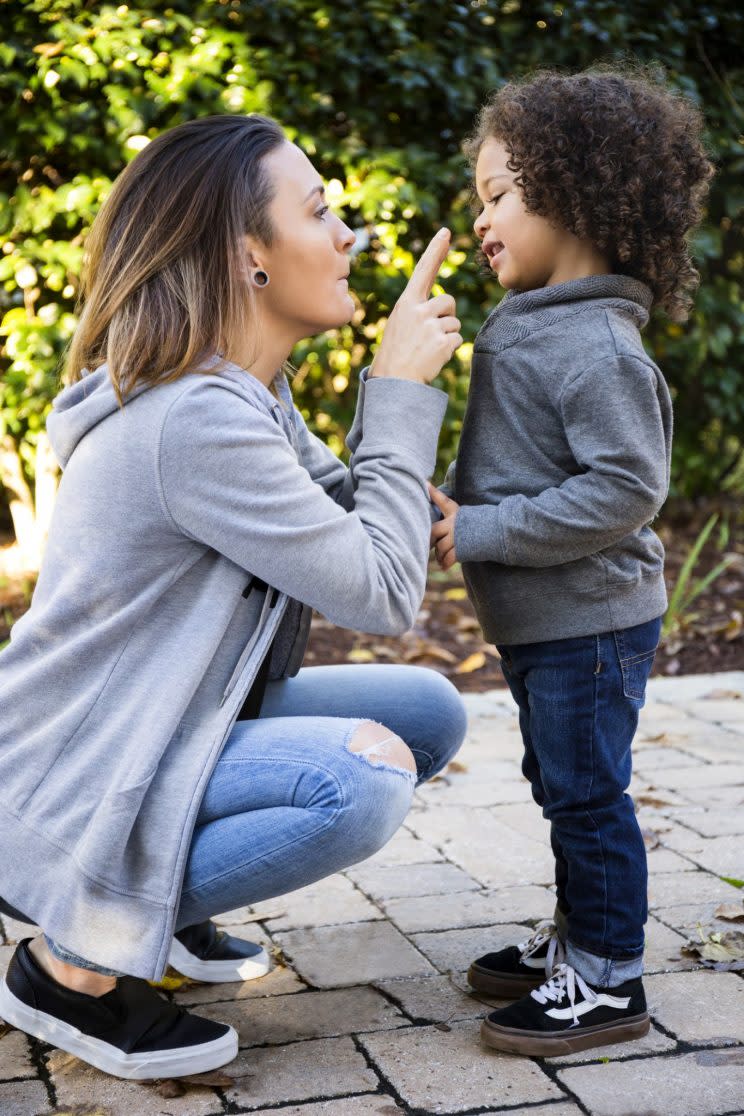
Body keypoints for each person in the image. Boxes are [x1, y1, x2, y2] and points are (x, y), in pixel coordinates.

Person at [0, 113, 467, 1080]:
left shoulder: (245, 391)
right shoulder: (196, 419)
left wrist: (422, 491)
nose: (349, 237)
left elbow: (350, 523)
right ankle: (72, 959)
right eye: (321, 212)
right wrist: (395, 390)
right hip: (74, 773)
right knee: (361, 777)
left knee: (427, 710)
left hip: (152, 726)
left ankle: (165, 920)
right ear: (246, 254)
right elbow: (380, 592)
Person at [429, 67, 714, 1057]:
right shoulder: (538, 321)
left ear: (577, 196)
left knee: (588, 794)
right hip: (553, 620)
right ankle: (582, 936)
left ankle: (607, 977)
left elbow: (626, 489)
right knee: (565, 784)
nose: (480, 219)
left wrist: (482, 530)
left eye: (498, 194)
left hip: (591, 618)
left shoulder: (596, 343)